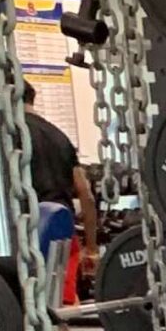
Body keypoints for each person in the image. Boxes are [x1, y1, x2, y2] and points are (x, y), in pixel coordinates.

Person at [22, 83, 98, 302]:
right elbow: (86, 194)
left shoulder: (8, 133)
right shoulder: (60, 137)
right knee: (63, 306)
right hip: (62, 231)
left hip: (29, 234)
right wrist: (91, 249)